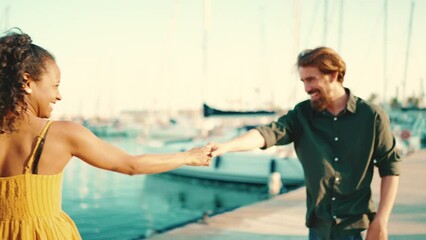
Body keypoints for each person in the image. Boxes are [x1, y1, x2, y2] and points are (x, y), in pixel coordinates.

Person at [0, 29, 212, 240]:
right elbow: (131, 165)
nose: (59, 96)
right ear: (27, 82)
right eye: (55, 86)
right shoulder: (62, 134)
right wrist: (187, 157)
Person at [208, 47, 400, 240]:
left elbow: (390, 168)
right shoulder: (302, 114)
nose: (307, 88)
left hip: (356, 229)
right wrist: (226, 146)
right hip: (318, 227)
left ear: (333, 75)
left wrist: (381, 221)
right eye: (303, 81)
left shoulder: (371, 116)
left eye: (311, 79)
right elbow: (268, 133)